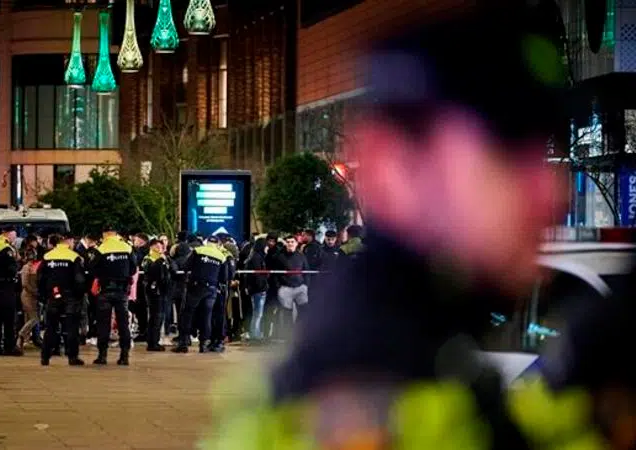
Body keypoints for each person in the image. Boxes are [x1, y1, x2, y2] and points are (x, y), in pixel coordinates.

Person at [207, 2, 583, 448]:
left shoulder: (437, 357)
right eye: (507, 153)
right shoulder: (370, 404)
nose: (552, 191)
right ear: (391, 164)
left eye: (544, 152)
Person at [88, 227, 137, 366]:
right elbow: (133, 268)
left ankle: (102, 356)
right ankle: (124, 356)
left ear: (105, 234)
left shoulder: (101, 248)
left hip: (105, 290)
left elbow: (92, 267)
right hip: (122, 291)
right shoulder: (127, 247)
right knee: (123, 324)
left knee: (103, 324)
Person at [172, 236, 228, 354]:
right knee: (206, 316)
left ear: (207, 242)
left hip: (196, 287)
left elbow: (186, 266)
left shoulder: (198, 250)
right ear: (217, 244)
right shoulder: (221, 256)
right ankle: (204, 345)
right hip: (212, 289)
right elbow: (224, 277)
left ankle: (183, 343)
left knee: (187, 314)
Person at [38, 235, 85, 366]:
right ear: (66, 242)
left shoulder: (47, 256)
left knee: (51, 327)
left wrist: (44, 296)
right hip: (71, 297)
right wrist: (79, 295)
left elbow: (40, 278)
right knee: (71, 327)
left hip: (53, 296)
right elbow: (79, 279)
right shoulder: (73, 257)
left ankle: (45, 357)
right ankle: (72, 357)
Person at [0, 226, 22, 356]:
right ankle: (9, 347)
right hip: (7, 285)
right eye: (14, 235)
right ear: (7, 234)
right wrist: (16, 264)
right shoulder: (6, 248)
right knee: (8, 318)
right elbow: (12, 268)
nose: (14, 238)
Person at [141, 238, 171, 351]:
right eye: (157, 247)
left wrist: (166, 259)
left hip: (163, 291)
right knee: (156, 316)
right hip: (154, 291)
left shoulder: (163, 258)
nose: (160, 249)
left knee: (159, 317)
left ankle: (154, 341)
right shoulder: (148, 259)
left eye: (161, 247)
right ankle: (152, 343)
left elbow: (172, 269)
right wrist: (160, 260)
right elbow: (150, 272)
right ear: (151, 247)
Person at [243, 237, 269, 342]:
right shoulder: (257, 258)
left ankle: (255, 333)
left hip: (255, 289)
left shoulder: (254, 257)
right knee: (258, 314)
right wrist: (262, 286)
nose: (267, 248)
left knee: (256, 313)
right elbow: (257, 275)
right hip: (258, 290)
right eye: (266, 246)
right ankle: (255, 335)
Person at [17, 248, 41, 351]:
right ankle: (21, 335)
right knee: (34, 318)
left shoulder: (33, 267)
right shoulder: (26, 267)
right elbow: (25, 284)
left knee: (29, 318)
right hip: (27, 295)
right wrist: (35, 292)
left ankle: (22, 341)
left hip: (32, 295)